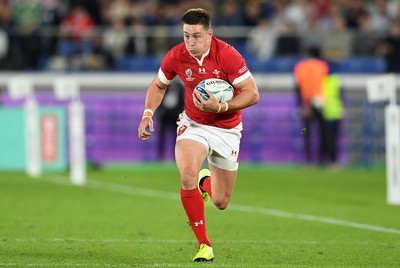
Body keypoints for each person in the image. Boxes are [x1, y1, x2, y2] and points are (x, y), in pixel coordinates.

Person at [137, 8, 259, 262]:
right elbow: (158, 85)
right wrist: (148, 113)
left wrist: (222, 106)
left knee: (221, 202)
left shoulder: (227, 55)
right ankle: (204, 244)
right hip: (194, 124)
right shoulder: (177, 55)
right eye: (186, 36)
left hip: (227, 128)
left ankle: (206, 182)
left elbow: (252, 93)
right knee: (186, 175)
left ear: (209, 35)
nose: (190, 43)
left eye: (196, 36)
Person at [294, 46, 329, 166]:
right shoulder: (323, 66)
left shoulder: (300, 66)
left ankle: (309, 161)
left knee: (306, 131)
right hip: (319, 101)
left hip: (306, 101)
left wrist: (301, 104)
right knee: (322, 131)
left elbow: (298, 87)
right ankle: (321, 160)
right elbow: (325, 83)